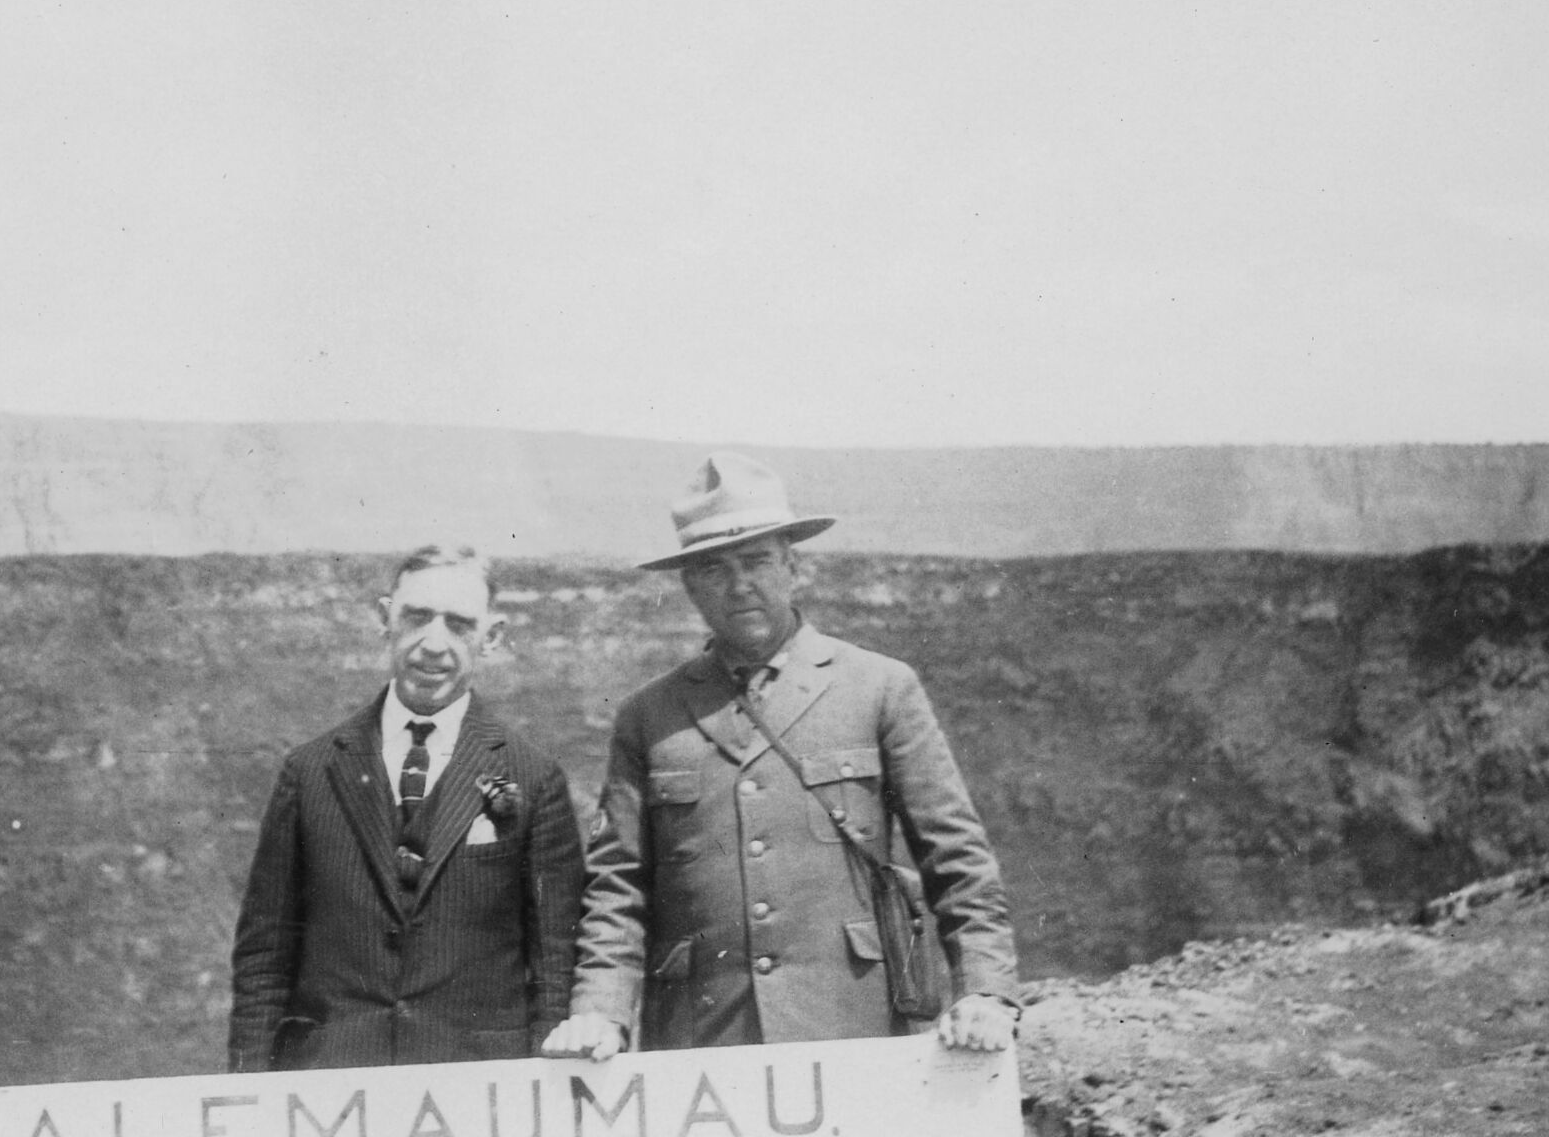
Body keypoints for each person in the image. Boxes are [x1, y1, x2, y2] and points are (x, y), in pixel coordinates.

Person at [542, 453, 1022, 1059]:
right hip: (702, 1039)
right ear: (689, 586)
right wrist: (600, 1011)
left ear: (794, 567)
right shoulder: (650, 716)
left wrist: (986, 991)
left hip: (853, 1024)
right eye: (714, 569)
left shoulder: (879, 688)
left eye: (757, 561)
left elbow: (956, 859)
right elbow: (618, 887)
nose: (739, 584)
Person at [229, 545, 585, 1071]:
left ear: (492, 637)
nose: (433, 644)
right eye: (417, 617)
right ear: (384, 618)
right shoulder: (310, 772)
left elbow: (556, 964)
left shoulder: (533, 778)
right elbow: (265, 958)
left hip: (473, 1084)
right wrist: (249, 1088)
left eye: (459, 624)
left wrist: (546, 1090)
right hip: (331, 1082)